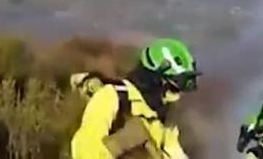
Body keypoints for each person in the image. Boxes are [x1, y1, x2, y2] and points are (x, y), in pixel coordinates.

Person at [70, 38, 200, 159]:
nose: (176, 98)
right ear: (154, 81)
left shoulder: (164, 121)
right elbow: (83, 149)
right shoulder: (112, 97)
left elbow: (175, 154)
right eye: (173, 90)